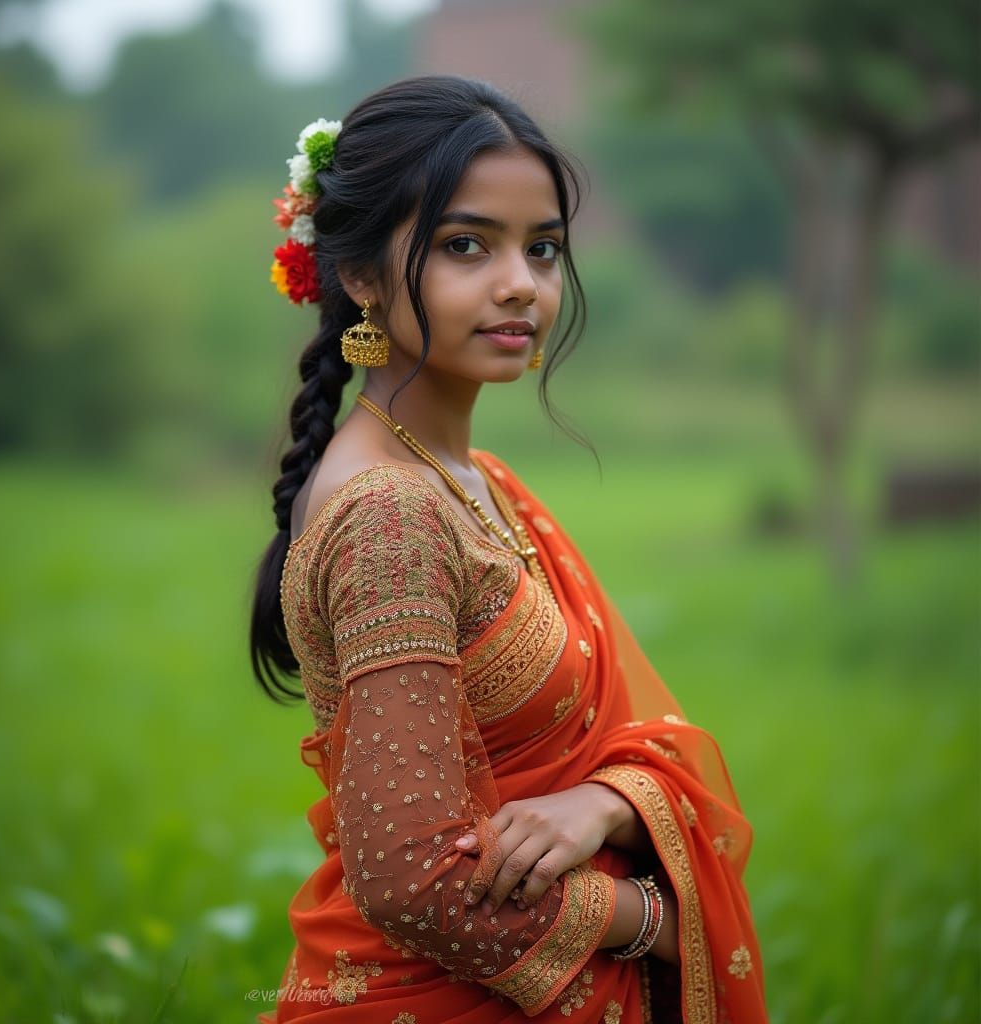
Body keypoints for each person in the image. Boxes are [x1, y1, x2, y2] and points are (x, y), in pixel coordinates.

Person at [249, 75, 767, 1023]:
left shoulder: (476, 481)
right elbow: (414, 881)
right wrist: (654, 915)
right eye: (464, 246)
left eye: (543, 248)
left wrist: (608, 805)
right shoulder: (392, 518)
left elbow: (612, 744)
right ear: (359, 276)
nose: (520, 284)